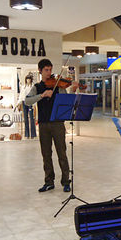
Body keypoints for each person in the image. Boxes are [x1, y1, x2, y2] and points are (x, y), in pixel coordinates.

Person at [25, 59, 78, 193]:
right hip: (43, 124)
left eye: (50, 70)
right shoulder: (37, 87)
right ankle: (49, 182)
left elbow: (67, 101)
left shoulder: (59, 86)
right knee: (46, 154)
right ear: (40, 71)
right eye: (46, 70)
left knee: (62, 153)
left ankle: (66, 181)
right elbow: (27, 101)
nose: (49, 73)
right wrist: (42, 95)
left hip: (58, 123)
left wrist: (73, 90)